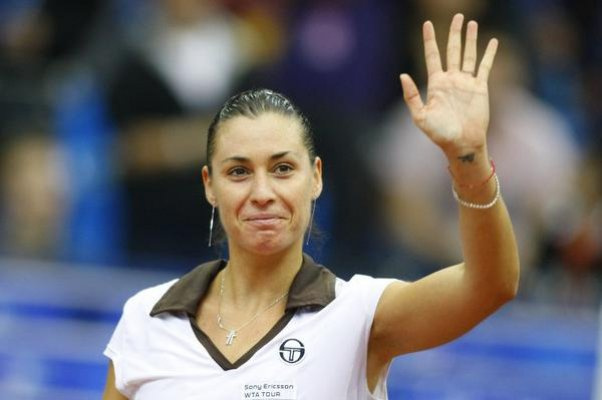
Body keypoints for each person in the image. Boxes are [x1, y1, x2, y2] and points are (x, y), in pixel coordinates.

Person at [102, 14, 519, 399]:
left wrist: (468, 158)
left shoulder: (359, 314)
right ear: (210, 186)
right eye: (239, 172)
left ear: (316, 178)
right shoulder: (147, 318)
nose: (262, 192)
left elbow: (492, 284)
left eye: (282, 169)